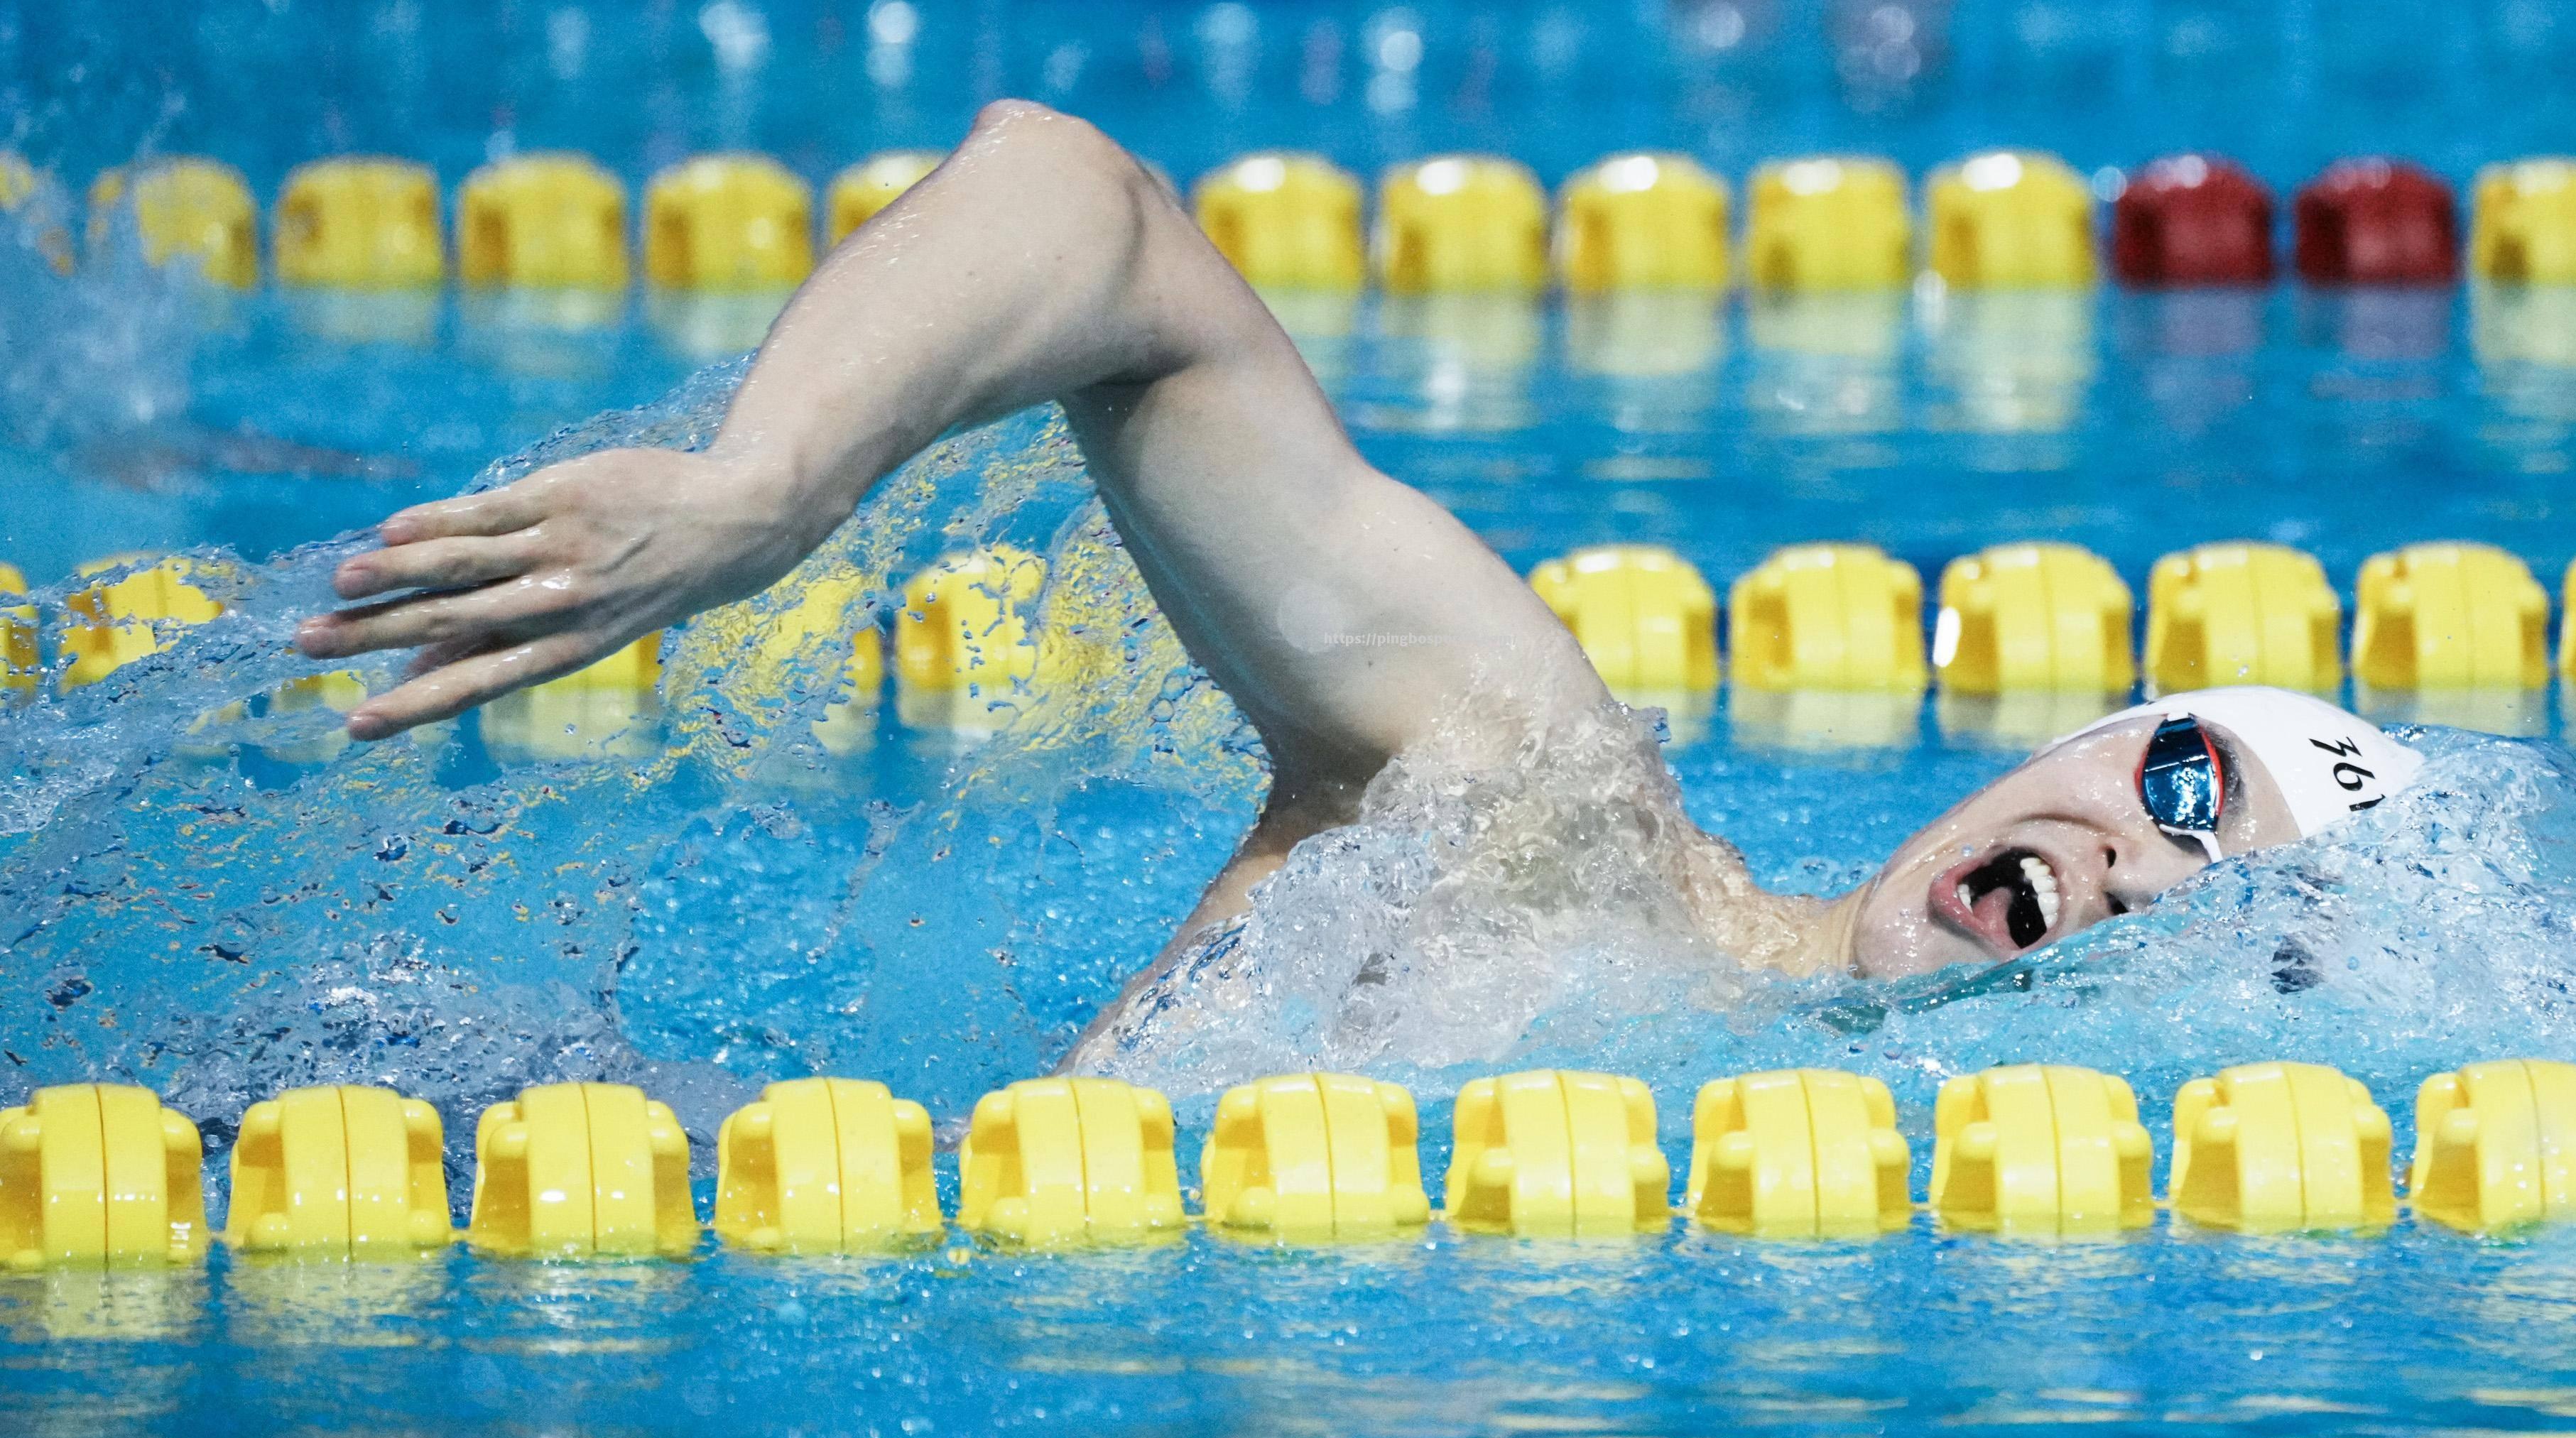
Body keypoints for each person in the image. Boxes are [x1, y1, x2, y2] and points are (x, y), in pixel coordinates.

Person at [297, 102, 2420, 1014]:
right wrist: (769, 479)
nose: (2144, 867)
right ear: (2074, 738)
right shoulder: (1540, 808)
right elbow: (1091, 212)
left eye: (2232, 904)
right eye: (2177, 786)